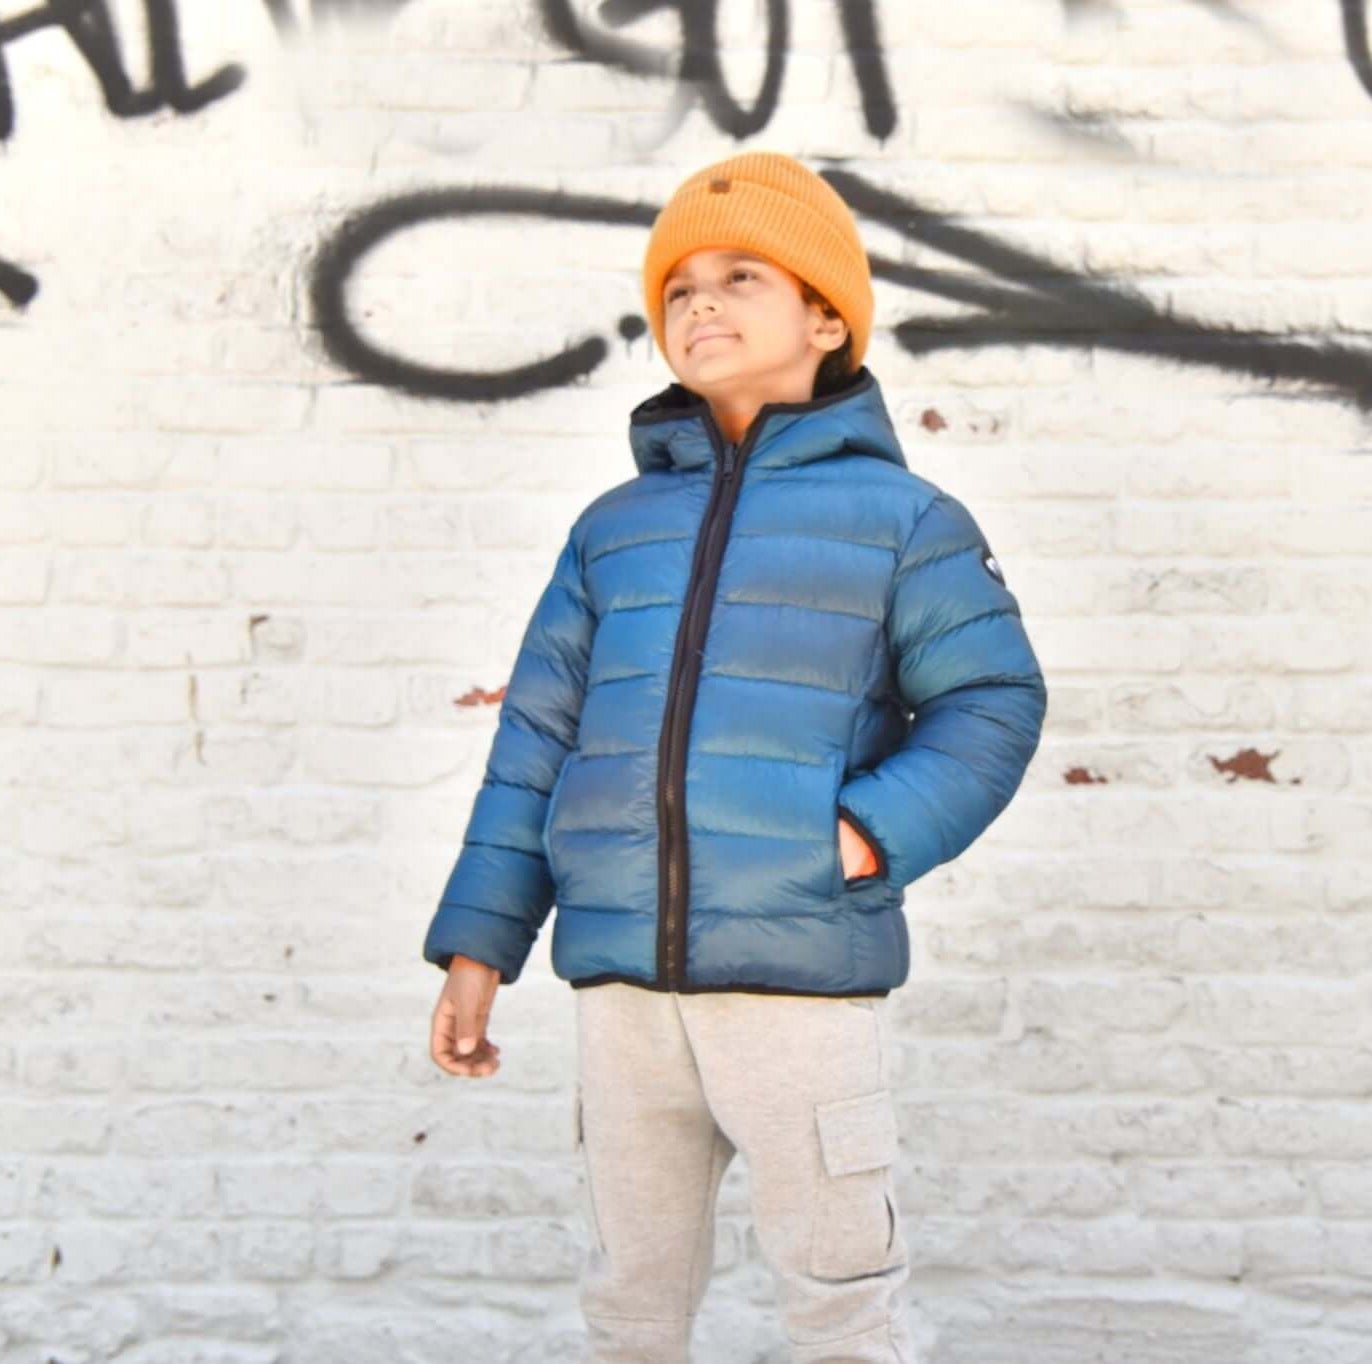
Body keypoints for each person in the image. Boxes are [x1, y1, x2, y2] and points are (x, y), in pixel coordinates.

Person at [421, 149, 1047, 1363]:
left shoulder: (902, 521)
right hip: (621, 990)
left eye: (739, 276)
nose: (698, 303)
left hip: (800, 978)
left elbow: (991, 701)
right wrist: (478, 943)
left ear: (824, 314)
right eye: (676, 289)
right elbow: (535, 740)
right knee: (630, 1303)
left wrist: (860, 832)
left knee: (836, 1298)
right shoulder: (613, 531)